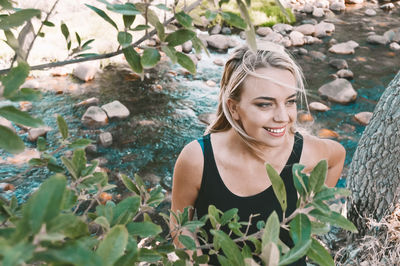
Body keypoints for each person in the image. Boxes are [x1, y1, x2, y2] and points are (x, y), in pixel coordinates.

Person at [169, 41, 346, 265]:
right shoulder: (198, 159)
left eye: (290, 101)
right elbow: (180, 225)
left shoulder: (303, 151)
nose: (283, 117)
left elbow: (336, 157)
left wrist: (307, 216)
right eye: (265, 104)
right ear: (234, 108)